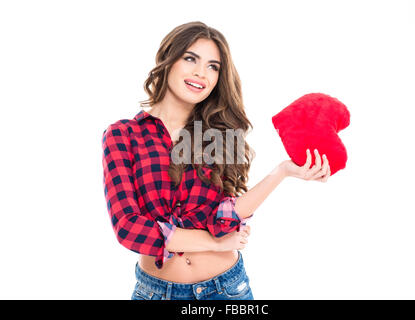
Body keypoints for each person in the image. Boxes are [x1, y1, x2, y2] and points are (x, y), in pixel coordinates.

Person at [101, 21, 331, 300]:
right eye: (190, 59)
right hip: (155, 292)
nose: (201, 73)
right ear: (167, 59)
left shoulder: (221, 135)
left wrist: (282, 172)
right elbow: (128, 228)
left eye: (213, 66)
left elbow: (225, 218)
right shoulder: (123, 134)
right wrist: (212, 243)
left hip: (225, 289)